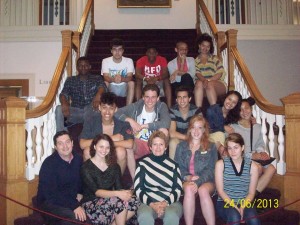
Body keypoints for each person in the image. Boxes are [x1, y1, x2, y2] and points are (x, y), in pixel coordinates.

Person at [80, 134, 139, 225]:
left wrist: (128, 193)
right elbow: (97, 192)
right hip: (92, 204)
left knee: (136, 199)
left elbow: (119, 188)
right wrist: (118, 194)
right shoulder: (86, 167)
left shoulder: (114, 166)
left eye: (107, 148)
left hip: (111, 201)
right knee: (119, 202)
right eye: (101, 147)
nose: (104, 150)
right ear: (95, 146)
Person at [114, 84, 171, 177]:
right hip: (139, 142)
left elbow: (166, 122)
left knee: (164, 131)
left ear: (158, 98)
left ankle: (160, 171)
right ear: (143, 97)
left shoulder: (161, 106)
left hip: (154, 142)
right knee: (129, 145)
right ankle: (134, 180)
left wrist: (146, 126)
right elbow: (116, 112)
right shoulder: (137, 106)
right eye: (147, 97)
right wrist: (130, 120)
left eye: (153, 97)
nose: (150, 100)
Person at [36, 131, 88, 225]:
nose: (65, 146)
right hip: (50, 202)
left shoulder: (78, 159)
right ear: (55, 147)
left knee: (71, 221)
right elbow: (51, 193)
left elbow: (82, 181)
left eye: (67, 142)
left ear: (72, 143)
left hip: (70, 199)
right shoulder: (49, 164)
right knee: (76, 217)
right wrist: (74, 206)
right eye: (60, 143)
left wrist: (81, 192)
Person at [174, 115, 218, 225]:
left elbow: (211, 169)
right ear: (189, 129)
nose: (196, 131)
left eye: (200, 127)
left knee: (203, 190)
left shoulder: (211, 147)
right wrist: (188, 177)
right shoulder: (181, 146)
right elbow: (177, 167)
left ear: (204, 130)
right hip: (187, 179)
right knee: (189, 188)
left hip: (206, 181)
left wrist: (197, 182)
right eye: (193, 127)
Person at [79, 92, 134, 177]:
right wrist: (112, 138)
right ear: (100, 107)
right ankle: (92, 182)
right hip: (96, 155)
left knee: (121, 151)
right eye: (104, 108)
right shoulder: (90, 122)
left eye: (111, 108)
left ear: (115, 109)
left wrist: (108, 144)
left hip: (113, 158)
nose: (107, 112)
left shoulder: (123, 124)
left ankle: (117, 182)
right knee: (87, 151)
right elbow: (82, 144)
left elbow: (130, 144)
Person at [134, 131, 183, 225]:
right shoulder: (142, 164)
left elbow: (178, 189)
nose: (158, 147)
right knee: (145, 215)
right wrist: (152, 205)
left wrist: (165, 203)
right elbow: (138, 189)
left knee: (171, 215)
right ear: (150, 147)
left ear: (165, 147)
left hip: (171, 203)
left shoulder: (173, 165)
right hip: (148, 203)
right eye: (155, 144)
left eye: (161, 144)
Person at [229, 97, 276, 195]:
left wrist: (261, 152)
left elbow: (260, 143)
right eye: (240, 109)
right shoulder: (233, 127)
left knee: (271, 168)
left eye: (246, 108)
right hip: (241, 158)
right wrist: (251, 156)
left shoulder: (257, 126)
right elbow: (233, 150)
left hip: (255, 157)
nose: (244, 111)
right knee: (257, 168)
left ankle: (252, 196)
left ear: (251, 109)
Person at [215, 133, 261, 225]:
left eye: (236, 147)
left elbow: (251, 193)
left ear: (242, 147)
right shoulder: (220, 164)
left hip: (244, 201)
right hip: (225, 202)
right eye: (230, 148)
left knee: (254, 220)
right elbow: (220, 191)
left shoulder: (253, 167)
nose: (233, 151)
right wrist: (234, 206)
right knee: (234, 216)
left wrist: (242, 207)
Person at [55, 56, 107, 132]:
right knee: (59, 109)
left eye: (85, 65)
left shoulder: (97, 78)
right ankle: (63, 135)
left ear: (89, 67)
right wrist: (64, 103)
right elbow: (64, 94)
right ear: (77, 67)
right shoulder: (71, 80)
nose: (83, 67)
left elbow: (103, 87)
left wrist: (98, 96)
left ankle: (92, 134)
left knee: (98, 110)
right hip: (76, 111)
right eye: (80, 65)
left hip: (92, 110)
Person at [169, 86, 202, 160]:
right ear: (176, 100)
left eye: (184, 97)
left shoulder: (196, 111)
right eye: (179, 97)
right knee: (172, 142)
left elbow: (200, 129)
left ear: (189, 99)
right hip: (179, 138)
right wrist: (187, 138)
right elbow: (172, 133)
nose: (182, 100)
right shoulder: (172, 110)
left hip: (194, 138)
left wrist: (192, 139)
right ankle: (172, 168)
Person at [206, 90, 242, 157]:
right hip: (210, 136)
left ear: (236, 105)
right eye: (229, 99)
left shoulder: (233, 114)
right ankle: (224, 154)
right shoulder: (212, 110)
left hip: (225, 139)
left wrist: (251, 119)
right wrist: (223, 127)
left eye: (234, 102)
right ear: (225, 98)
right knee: (220, 134)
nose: (230, 103)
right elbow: (209, 129)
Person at [194, 33, 226, 107]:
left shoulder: (214, 58)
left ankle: (215, 112)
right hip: (202, 86)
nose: (205, 48)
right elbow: (198, 74)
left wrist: (208, 80)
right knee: (198, 83)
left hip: (218, 85)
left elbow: (220, 73)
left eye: (208, 46)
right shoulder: (195, 61)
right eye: (203, 45)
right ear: (199, 45)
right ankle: (199, 111)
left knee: (210, 84)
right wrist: (204, 80)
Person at [101, 38, 135, 105]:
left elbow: (130, 77)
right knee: (105, 83)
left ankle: (128, 108)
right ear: (111, 51)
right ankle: (105, 106)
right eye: (114, 49)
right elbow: (105, 77)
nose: (117, 52)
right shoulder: (105, 61)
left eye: (119, 50)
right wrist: (114, 79)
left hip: (124, 87)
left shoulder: (129, 61)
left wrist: (122, 79)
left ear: (123, 51)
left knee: (131, 83)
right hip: (111, 86)